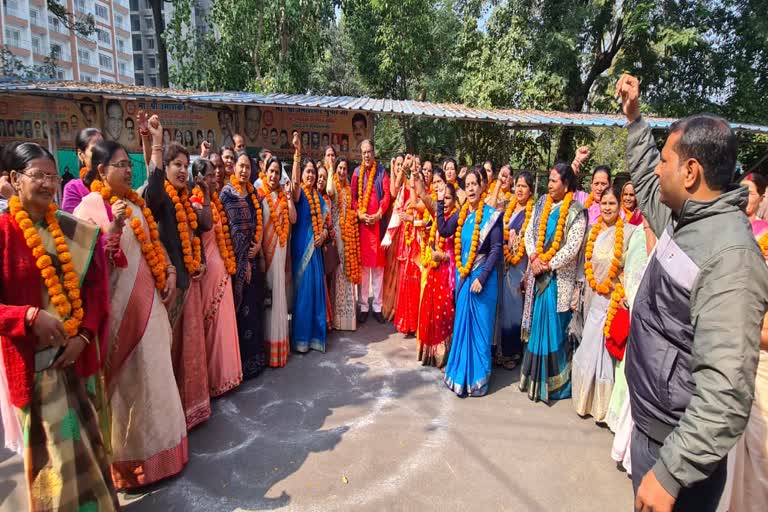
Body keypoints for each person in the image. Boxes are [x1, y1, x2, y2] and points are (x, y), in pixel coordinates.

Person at [617, 73, 768, 511]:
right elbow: (647, 185)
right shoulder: (686, 222)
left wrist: (670, 472)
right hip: (653, 428)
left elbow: (725, 393)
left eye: (665, 159)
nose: (657, 168)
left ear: (690, 171)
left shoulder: (730, 257)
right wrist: (634, 120)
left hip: (676, 450)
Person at [0, 142, 118, 510]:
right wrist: (29, 317)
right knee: (58, 462)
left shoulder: (72, 229)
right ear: (15, 180)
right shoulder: (4, 232)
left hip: (77, 360)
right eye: (38, 176)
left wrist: (84, 336)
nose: (49, 184)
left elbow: (98, 290)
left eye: (53, 176)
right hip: (36, 369)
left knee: (91, 449)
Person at [74, 136, 188, 489]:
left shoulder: (136, 204)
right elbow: (84, 267)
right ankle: (131, 466)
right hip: (118, 312)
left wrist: (168, 272)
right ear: (101, 171)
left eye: (128, 164)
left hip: (150, 306)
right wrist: (114, 228)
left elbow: (154, 246)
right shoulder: (90, 207)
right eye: (119, 165)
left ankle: (168, 454)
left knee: (156, 376)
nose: (126, 170)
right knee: (128, 386)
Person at [144, 132, 213, 430]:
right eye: (177, 164)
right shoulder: (161, 199)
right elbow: (153, 189)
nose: (183, 170)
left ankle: (192, 408)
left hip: (191, 280)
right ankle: (173, 416)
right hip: (171, 287)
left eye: (186, 165)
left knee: (191, 351)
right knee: (172, 352)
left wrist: (201, 261)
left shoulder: (186, 201)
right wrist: (156, 146)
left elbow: (205, 225)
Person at [519, 163, 587, 402]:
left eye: (554, 181)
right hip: (539, 276)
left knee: (556, 329)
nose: (549, 184)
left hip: (559, 280)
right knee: (538, 327)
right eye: (549, 180)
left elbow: (572, 247)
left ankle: (557, 387)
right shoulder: (541, 204)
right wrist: (534, 257)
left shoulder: (577, 211)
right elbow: (529, 232)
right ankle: (535, 382)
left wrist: (548, 264)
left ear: (566, 184)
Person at [571, 185, 635, 423]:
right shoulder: (593, 231)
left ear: (619, 206)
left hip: (614, 299)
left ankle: (602, 408)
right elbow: (584, 264)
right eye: (604, 203)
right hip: (592, 297)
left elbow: (632, 266)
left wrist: (625, 290)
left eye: (612, 204)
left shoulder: (629, 233)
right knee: (588, 347)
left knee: (605, 352)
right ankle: (583, 402)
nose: (607, 208)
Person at [439, 168, 502, 396]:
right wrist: (439, 202)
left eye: (475, 183)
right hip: (465, 278)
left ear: (483, 186)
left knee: (481, 331)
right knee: (462, 328)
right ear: (464, 190)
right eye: (468, 185)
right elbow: (444, 230)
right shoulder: (463, 214)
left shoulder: (492, 216)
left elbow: (496, 250)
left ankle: (478, 380)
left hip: (483, 281)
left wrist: (482, 278)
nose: (472, 188)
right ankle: (460, 375)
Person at [607, 216, 656, 476]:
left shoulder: (664, 234)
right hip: (632, 304)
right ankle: (624, 442)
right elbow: (626, 264)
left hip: (652, 318)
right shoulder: (638, 232)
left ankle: (632, 454)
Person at [190, 158, 243, 396]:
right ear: (199, 177)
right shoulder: (195, 202)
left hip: (221, 265)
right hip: (208, 269)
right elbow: (205, 224)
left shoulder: (213, 200)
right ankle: (213, 381)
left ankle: (228, 377)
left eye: (214, 174)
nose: (215, 177)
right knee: (211, 327)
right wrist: (205, 193)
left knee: (224, 324)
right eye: (210, 175)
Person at [220, 151, 267, 379]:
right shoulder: (226, 195)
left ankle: (257, 360)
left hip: (254, 260)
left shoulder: (253, 195)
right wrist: (243, 263)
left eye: (248, 167)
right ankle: (244, 365)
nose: (244, 171)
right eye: (241, 166)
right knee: (243, 312)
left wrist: (258, 246)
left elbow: (260, 223)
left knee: (255, 310)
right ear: (234, 167)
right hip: (237, 264)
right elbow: (231, 231)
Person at [289, 132, 329, 352]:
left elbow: (324, 224)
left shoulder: (319, 198)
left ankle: (314, 337)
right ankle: (301, 340)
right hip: (301, 247)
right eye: (308, 172)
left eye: (313, 172)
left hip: (316, 251)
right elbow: (295, 184)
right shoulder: (299, 194)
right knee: (303, 296)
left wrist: (323, 234)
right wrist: (297, 155)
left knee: (315, 293)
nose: (311, 176)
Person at [416, 170, 457, 367]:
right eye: (443, 197)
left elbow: (460, 250)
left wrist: (445, 256)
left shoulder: (458, 219)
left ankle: (444, 354)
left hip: (448, 271)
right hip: (434, 269)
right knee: (429, 309)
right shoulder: (438, 215)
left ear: (455, 200)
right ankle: (429, 353)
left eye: (449, 198)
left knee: (444, 312)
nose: (446, 201)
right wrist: (415, 173)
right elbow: (422, 195)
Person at [258, 156, 296, 366]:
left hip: (280, 252)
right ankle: (267, 348)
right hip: (266, 254)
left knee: (279, 297)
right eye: (270, 171)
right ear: (264, 171)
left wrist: (289, 197)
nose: (273, 176)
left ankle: (279, 349)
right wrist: (262, 255)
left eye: (277, 172)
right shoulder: (259, 194)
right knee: (267, 300)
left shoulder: (283, 195)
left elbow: (293, 219)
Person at [351, 140, 392, 324]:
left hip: (377, 226)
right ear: (361, 154)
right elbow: (352, 197)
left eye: (369, 151)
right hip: (362, 227)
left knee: (378, 270)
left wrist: (378, 214)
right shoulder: (356, 173)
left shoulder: (382, 172)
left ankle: (377, 306)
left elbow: (386, 196)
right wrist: (359, 213)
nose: (366, 155)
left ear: (374, 153)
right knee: (364, 270)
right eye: (363, 152)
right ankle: (364, 307)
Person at [497, 170, 534, 369]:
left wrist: (528, 273)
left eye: (524, 186)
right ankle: (501, 351)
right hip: (504, 263)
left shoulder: (533, 212)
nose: (519, 189)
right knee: (502, 307)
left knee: (514, 309)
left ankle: (513, 353)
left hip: (520, 265)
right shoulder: (508, 208)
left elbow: (534, 242)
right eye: (518, 185)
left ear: (530, 190)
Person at [393, 156, 425, 336]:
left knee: (417, 278)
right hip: (407, 237)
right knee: (405, 277)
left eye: (418, 166)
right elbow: (394, 189)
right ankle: (406, 323)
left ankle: (417, 322)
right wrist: (403, 167)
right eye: (414, 166)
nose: (416, 168)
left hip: (420, 237)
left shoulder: (425, 189)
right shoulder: (404, 187)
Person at [326, 156, 359, 331]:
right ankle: (337, 318)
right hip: (337, 232)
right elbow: (329, 190)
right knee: (339, 270)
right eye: (340, 168)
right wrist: (331, 169)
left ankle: (347, 319)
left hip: (348, 234)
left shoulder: (348, 189)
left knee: (347, 271)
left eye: (344, 168)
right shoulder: (335, 186)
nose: (342, 171)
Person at [381, 153, 405, 321]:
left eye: (402, 164)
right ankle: (388, 306)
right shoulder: (392, 184)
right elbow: (394, 192)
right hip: (392, 230)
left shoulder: (409, 185)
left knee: (400, 270)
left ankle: (399, 308)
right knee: (390, 268)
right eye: (397, 164)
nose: (399, 167)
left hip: (404, 230)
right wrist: (393, 168)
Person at [62, 128, 103, 213]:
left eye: (104, 148)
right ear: (81, 155)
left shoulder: (113, 182)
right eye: (95, 149)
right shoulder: (74, 188)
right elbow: (72, 223)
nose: (102, 152)